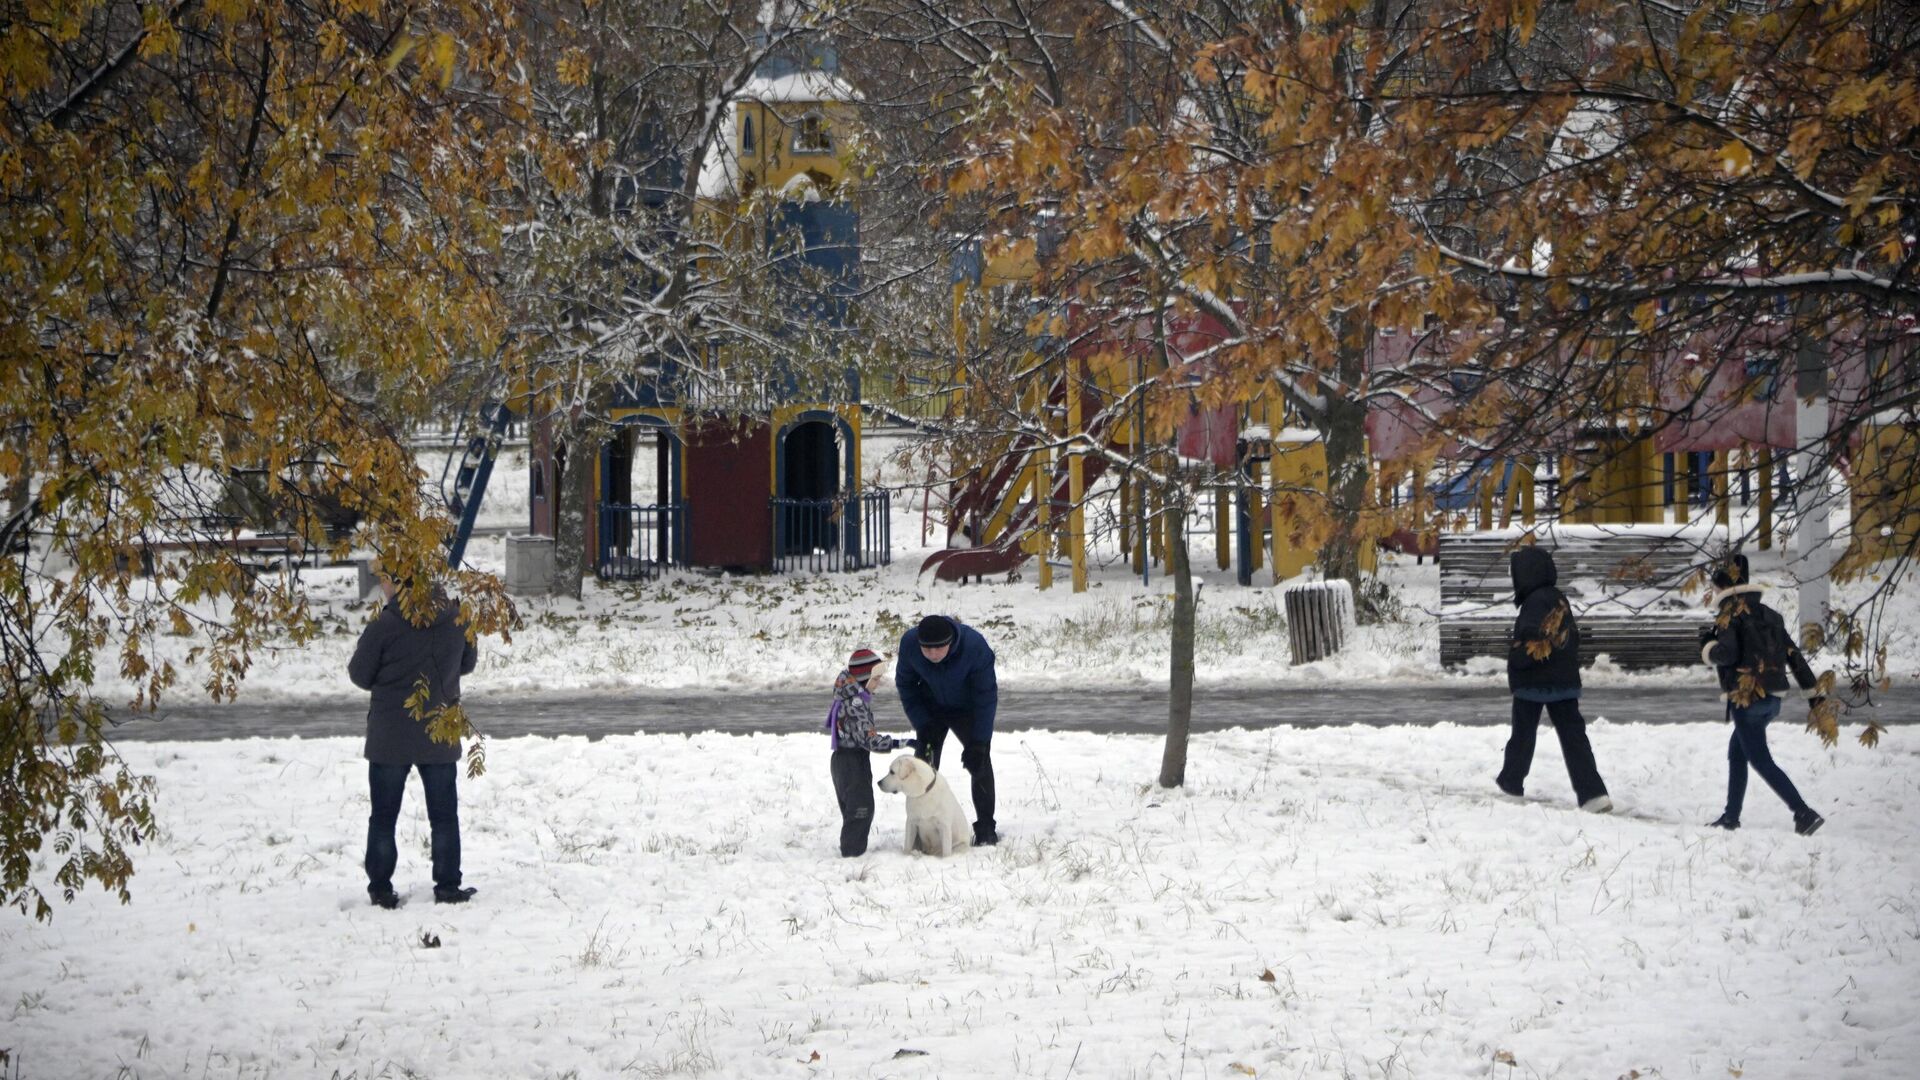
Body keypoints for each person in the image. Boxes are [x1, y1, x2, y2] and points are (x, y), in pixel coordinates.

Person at [347, 571, 479, 908]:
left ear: (400, 582)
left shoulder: (385, 625)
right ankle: (448, 886)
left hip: (390, 733)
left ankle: (380, 888)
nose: (383, 587)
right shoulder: (456, 618)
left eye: (386, 581)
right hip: (439, 730)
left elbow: (359, 674)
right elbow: (467, 664)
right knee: (444, 816)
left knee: (383, 816)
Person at [1699, 553, 1827, 836]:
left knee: (1760, 759)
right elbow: (1794, 656)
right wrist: (1813, 694)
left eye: (1716, 587)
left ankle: (1803, 812)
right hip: (1772, 700)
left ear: (1722, 587)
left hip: (1747, 698)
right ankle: (1730, 817)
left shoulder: (1729, 616)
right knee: (1737, 753)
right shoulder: (1771, 615)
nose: (1716, 593)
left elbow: (1728, 654)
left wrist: (1708, 646)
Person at [1495, 546, 1613, 813]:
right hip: (1564, 683)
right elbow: (1570, 639)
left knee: (1523, 736)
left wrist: (1516, 659)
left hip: (1533, 684)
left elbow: (1532, 642)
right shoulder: (1559, 599)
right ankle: (1593, 793)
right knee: (1574, 739)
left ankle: (1511, 784)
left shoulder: (1533, 603)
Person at [895, 614, 1000, 845]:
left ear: (951, 642)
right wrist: (923, 723)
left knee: (980, 762)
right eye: (927, 649)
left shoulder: (974, 647)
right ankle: (921, 832)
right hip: (931, 709)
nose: (932, 654)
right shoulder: (910, 643)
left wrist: (979, 742)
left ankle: (985, 829)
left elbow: (986, 697)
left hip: (967, 709)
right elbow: (906, 685)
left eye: (938, 648)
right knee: (924, 766)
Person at [824, 647, 910, 857]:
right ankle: (852, 854)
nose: (878, 683)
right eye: (875, 678)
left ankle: (852, 848)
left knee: (852, 806)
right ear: (863, 678)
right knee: (861, 808)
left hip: (842, 759)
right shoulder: (856, 704)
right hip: (852, 761)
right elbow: (870, 740)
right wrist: (902, 742)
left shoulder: (847, 695)